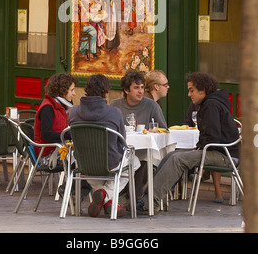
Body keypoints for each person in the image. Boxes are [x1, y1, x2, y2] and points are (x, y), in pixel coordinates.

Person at [150, 72, 240, 206]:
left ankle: (152, 200)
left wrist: (201, 147)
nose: (189, 94)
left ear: (202, 90)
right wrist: (200, 146)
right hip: (219, 152)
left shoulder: (211, 105)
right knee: (172, 154)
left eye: (191, 90)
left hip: (226, 156)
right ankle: (150, 195)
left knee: (177, 158)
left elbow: (212, 137)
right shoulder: (210, 103)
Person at [68, 74, 140, 218]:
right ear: (106, 92)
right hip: (110, 162)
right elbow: (122, 142)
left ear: (86, 90)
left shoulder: (73, 112)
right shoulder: (114, 112)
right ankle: (107, 197)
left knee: (99, 173)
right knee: (135, 162)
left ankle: (107, 200)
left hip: (84, 164)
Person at [110, 71, 168, 209]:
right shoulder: (115, 105)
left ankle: (130, 197)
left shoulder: (151, 106)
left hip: (143, 149)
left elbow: (164, 130)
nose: (140, 91)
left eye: (142, 87)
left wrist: (153, 131)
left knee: (148, 158)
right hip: (120, 149)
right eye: (136, 87)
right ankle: (122, 197)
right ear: (126, 90)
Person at [183, 101, 223, 202]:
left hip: (217, 148)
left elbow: (215, 131)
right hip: (201, 142)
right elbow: (187, 122)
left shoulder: (213, 105)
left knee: (212, 150)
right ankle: (217, 193)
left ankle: (198, 175)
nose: (189, 94)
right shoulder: (194, 104)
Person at [34, 73, 77, 158]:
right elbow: (46, 135)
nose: (74, 93)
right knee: (84, 160)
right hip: (47, 156)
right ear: (62, 91)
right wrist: (68, 135)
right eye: (72, 90)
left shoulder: (60, 106)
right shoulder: (48, 107)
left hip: (59, 150)